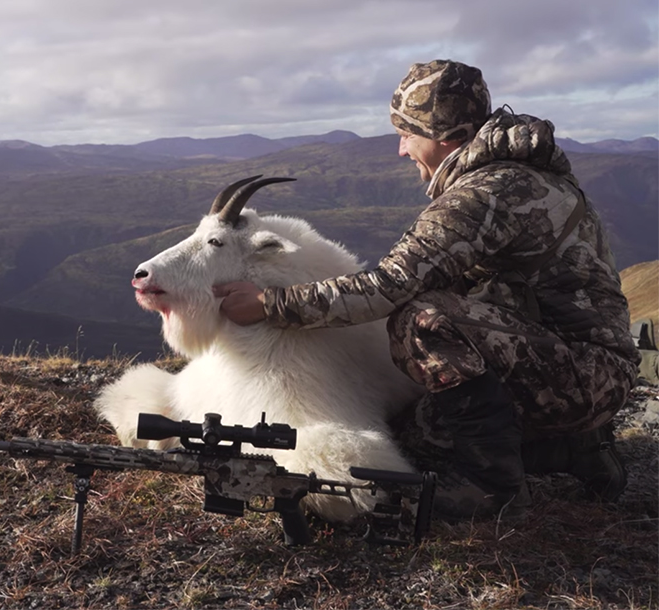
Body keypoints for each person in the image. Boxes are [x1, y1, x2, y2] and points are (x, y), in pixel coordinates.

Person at [213, 60, 640, 520]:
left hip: (583, 377)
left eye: (407, 134)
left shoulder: (485, 194)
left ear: (447, 136)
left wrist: (270, 303)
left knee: (420, 320)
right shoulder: (516, 176)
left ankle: (494, 490)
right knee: (415, 440)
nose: (401, 149)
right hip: (580, 369)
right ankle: (574, 448)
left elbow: (388, 286)